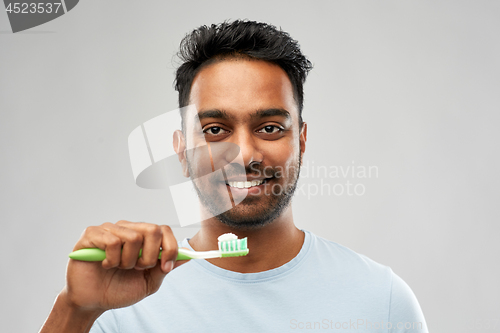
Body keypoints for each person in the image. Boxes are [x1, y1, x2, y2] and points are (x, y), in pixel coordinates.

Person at [40, 20, 429, 333]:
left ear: (302, 140)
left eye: (270, 128)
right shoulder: (115, 309)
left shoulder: (382, 301)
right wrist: (74, 311)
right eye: (215, 130)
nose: (244, 155)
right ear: (180, 150)